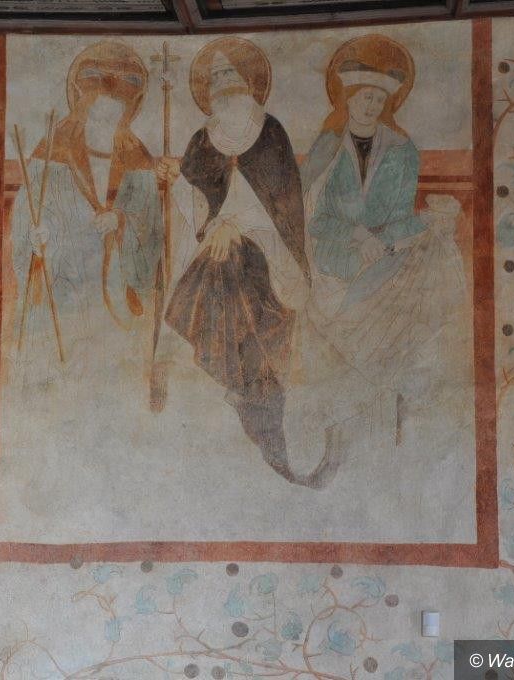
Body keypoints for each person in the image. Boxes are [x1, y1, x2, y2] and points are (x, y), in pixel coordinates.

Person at [159, 37, 332, 486]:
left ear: (249, 82)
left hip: (271, 252)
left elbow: (283, 205)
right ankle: (241, 389)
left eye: (230, 75)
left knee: (232, 264)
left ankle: (254, 396)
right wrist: (178, 183)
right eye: (215, 77)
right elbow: (195, 202)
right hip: (216, 249)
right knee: (218, 267)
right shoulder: (202, 140)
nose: (223, 84)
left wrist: (236, 227)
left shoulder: (270, 132)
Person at [299, 34, 467, 450]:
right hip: (334, 259)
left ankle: (390, 431)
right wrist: (357, 236)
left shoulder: (402, 151)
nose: (371, 105)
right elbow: (313, 218)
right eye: (364, 96)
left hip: (386, 257)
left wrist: (384, 242)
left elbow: (403, 218)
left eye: (379, 98)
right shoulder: (327, 147)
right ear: (348, 98)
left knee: (428, 266)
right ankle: (338, 432)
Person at [8, 41, 163, 390]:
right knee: (63, 379)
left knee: (113, 378)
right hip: (66, 284)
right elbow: (29, 211)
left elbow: (151, 224)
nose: (106, 114)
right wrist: (36, 237)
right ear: (82, 101)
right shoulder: (54, 148)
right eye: (99, 105)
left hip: (116, 286)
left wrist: (120, 220)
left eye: (116, 109)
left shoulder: (136, 154)